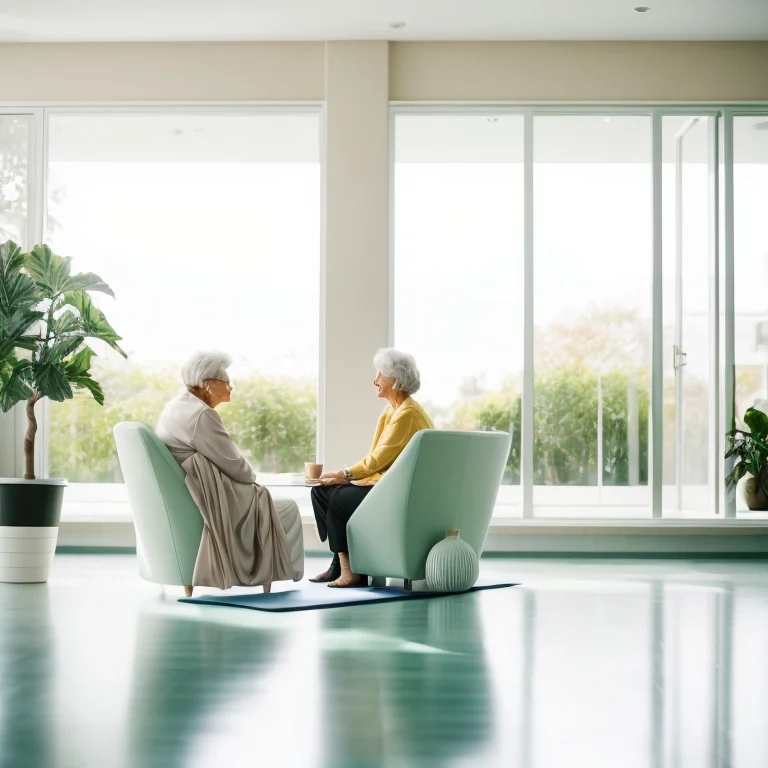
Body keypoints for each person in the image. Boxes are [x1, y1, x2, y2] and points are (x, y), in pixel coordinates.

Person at [156, 351, 304, 592]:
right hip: (209, 498)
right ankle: (287, 575)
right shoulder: (202, 415)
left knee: (273, 502)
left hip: (188, 493)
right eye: (226, 382)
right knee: (287, 508)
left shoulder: (175, 407)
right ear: (207, 385)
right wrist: (252, 478)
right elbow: (239, 468)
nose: (230, 387)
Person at [311, 348, 434, 588]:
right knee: (320, 492)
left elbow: (377, 460)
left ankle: (352, 572)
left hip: (397, 490)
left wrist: (343, 475)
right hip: (385, 482)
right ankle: (339, 561)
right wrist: (349, 478)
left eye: (380, 374)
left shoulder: (407, 414)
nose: (374, 380)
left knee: (338, 497)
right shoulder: (391, 412)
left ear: (395, 379)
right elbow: (377, 459)